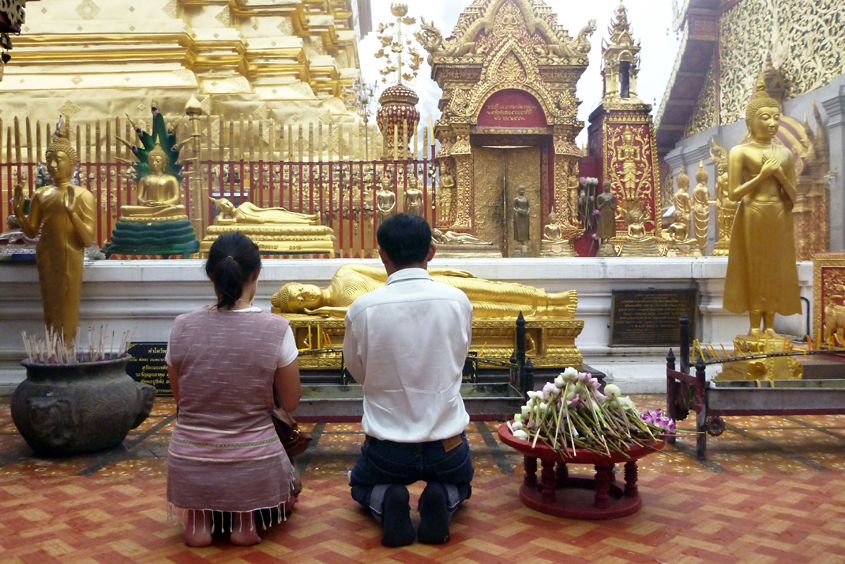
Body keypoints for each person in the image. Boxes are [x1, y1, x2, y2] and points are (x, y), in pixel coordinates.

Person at [343, 214, 474, 547]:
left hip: (387, 449)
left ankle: (387, 499)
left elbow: (357, 372)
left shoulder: (362, 308)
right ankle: (443, 497)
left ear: (382, 254)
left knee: (360, 484)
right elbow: (459, 358)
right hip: (447, 446)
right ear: (431, 251)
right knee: (462, 483)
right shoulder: (458, 301)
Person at [166, 232, 302, 547]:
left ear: (210, 274)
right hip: (255, 461)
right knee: (290, 485)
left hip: (189, 459)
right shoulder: (276, 329)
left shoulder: (182, 326)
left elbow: (181, 398)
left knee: (196, 440)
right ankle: (246, 523)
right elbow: (291, 402)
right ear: (256, 273)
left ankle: (199, 523)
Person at [723, 74, 801, 338]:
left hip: (778, 212)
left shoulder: (785, 154)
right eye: (765, 117)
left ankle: (771, 326)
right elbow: (734, 194)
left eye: (776, 117)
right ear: (751, 121)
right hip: (752, 213)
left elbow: (792, 196)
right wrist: (761, 176)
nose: (772, 123)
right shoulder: (740, 152)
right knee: (755, 267)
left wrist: (778, 175)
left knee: (775, 267)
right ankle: (754, 326)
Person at [12, 118, 95, 342]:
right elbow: (31, 232)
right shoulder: (41, 194)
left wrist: (72, 213)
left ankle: (67, 350)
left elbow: (87, 240)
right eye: (49, 160)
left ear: (73, 163)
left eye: (59, 160)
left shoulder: (83, 195)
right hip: (47, 255)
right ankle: (53, 352)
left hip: (71, 256)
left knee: (67, 306)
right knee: (51, 306)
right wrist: (20, 214)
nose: (54, 166)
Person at [272, 263, 576, 319]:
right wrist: (323, 310)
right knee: (489, 310)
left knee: (489, 289)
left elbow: (387, 270)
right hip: (418, 305)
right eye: (300, 302)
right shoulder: (336, 309)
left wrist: (440, 272)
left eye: (300, 290)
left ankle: (547, 298)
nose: (304, 295)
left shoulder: (345, 272)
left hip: (429, 283)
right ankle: (546, 311)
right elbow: (356, 314)